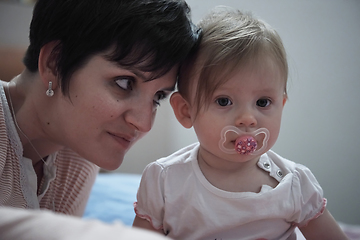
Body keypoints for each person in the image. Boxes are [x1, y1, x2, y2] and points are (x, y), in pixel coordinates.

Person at [132, 7, 349, 240]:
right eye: (224, 101)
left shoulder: (294, 183)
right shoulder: (164, 181)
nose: (248, 118)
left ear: (282, 106)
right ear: (186, 111)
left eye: (263, 102)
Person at [0, 0, 200, 238]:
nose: (144, 123)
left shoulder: (77, 155)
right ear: (55, 62)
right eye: (124, 83)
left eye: (157, 97)